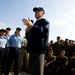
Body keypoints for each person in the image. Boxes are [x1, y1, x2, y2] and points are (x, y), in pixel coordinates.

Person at [22, 7, 49, 75]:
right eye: (35, 11)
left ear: (42, 13)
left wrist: (31, 26)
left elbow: (43, 33)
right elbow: (31, 38)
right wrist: (27, 32)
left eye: (38, 11)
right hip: (32, 50)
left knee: (37, 72)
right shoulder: (36, 23)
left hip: (38, 51)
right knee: (33, 71)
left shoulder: (44, 21)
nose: (35, 12)